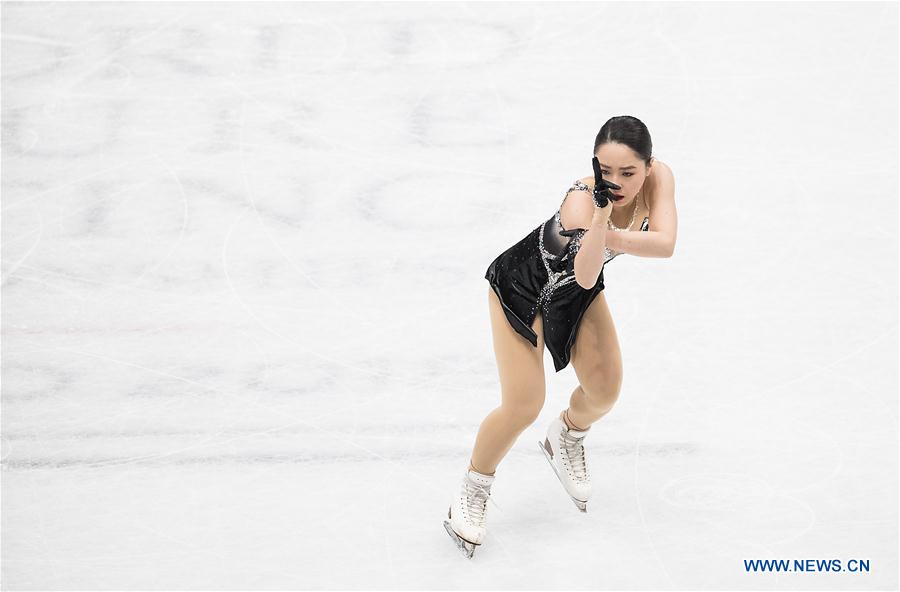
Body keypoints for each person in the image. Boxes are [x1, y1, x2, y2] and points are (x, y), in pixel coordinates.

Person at [443, 115, 678, 558]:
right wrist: (602, 222)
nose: (617, 182)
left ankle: (565, 436)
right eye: (605, 171)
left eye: (628, 172)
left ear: (649, 166)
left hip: (570, 295)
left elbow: (666, 244)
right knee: (523, 403)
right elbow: (588, 273)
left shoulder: (660, 178)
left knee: (606, 391)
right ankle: (474, 487)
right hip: (522, 289)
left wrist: (609, 234)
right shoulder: (581, 204)